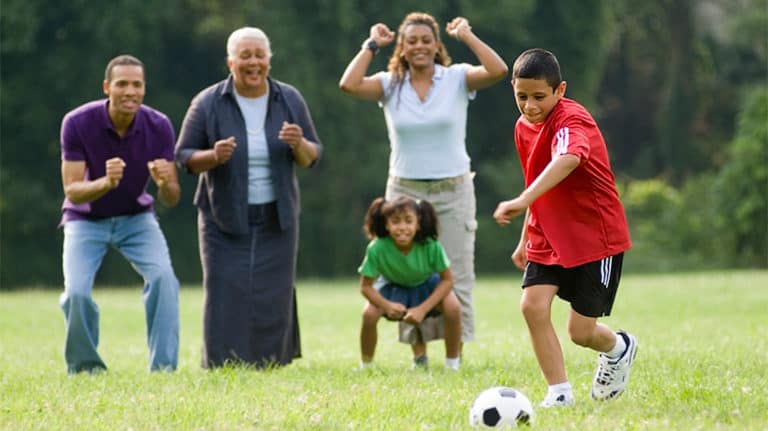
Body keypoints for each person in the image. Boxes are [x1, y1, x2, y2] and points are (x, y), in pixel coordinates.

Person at [339, 12, 507, 366]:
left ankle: (454, 357)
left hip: (454, 188)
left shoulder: (457, 78)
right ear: (402, 47)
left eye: (426, 40)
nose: (419, 46)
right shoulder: (390, 84)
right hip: (404, 193)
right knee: (408, 274)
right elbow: (349, 84)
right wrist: (371, 44)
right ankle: (419, 355)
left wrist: (467, 35)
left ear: (436, 45)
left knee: (456, 273)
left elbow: (498, 71)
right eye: (411, 41)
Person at [493, 48, 638, 407]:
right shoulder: (522, 127)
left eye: (539, 97)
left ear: (560, 90)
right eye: (521, 96)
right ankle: (559, 394)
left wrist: (522, 200)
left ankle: (619, 348)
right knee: (532, 305)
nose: (529, 105)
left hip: (594, 235)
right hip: (546, 231)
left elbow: (567, 159)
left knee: (581, 333)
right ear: (512, 87)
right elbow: (536, 177)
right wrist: (525, 236)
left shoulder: (572, 120)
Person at [175, 27, 322, 369]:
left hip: (278, 214)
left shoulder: (289, 99)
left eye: (260, 55)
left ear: (269, 60)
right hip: (221, 214)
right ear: (230, 62)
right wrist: (213, 156)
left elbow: (313, 156)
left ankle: (271, 362)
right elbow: (183, 155)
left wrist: (298, 143)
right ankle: (222, 364)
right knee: (225, 289)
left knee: (275, 291)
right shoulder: (208, 101)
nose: (253, 62)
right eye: (245, 56)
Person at [58, 54, 181, 374]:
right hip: (85, 220)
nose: (130, 91)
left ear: (144, 89)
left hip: (135, 219)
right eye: (122, 84)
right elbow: (71, 190)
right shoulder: (77, 123)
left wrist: (165, 183)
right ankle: (86, 369)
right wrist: (106, 182)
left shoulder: (159, 125)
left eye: (137, 85)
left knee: (164, 279)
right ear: (107, 87)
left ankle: (164, 369)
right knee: (76, 294)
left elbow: (172, 198)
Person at [358, 197, 462, 370]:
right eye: (395, 222)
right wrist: (387, 305)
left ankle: (452, 364)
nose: (402, 228)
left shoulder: (431, 246)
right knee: (368, 314)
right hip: (392, 287)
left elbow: (447, 281)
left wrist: (423, 309)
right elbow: (365, 286)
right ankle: (366, 365)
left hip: (427, 285)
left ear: (418, 224)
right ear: (386, 225)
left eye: (408, 221)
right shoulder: (377, 248)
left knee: (454, 308)